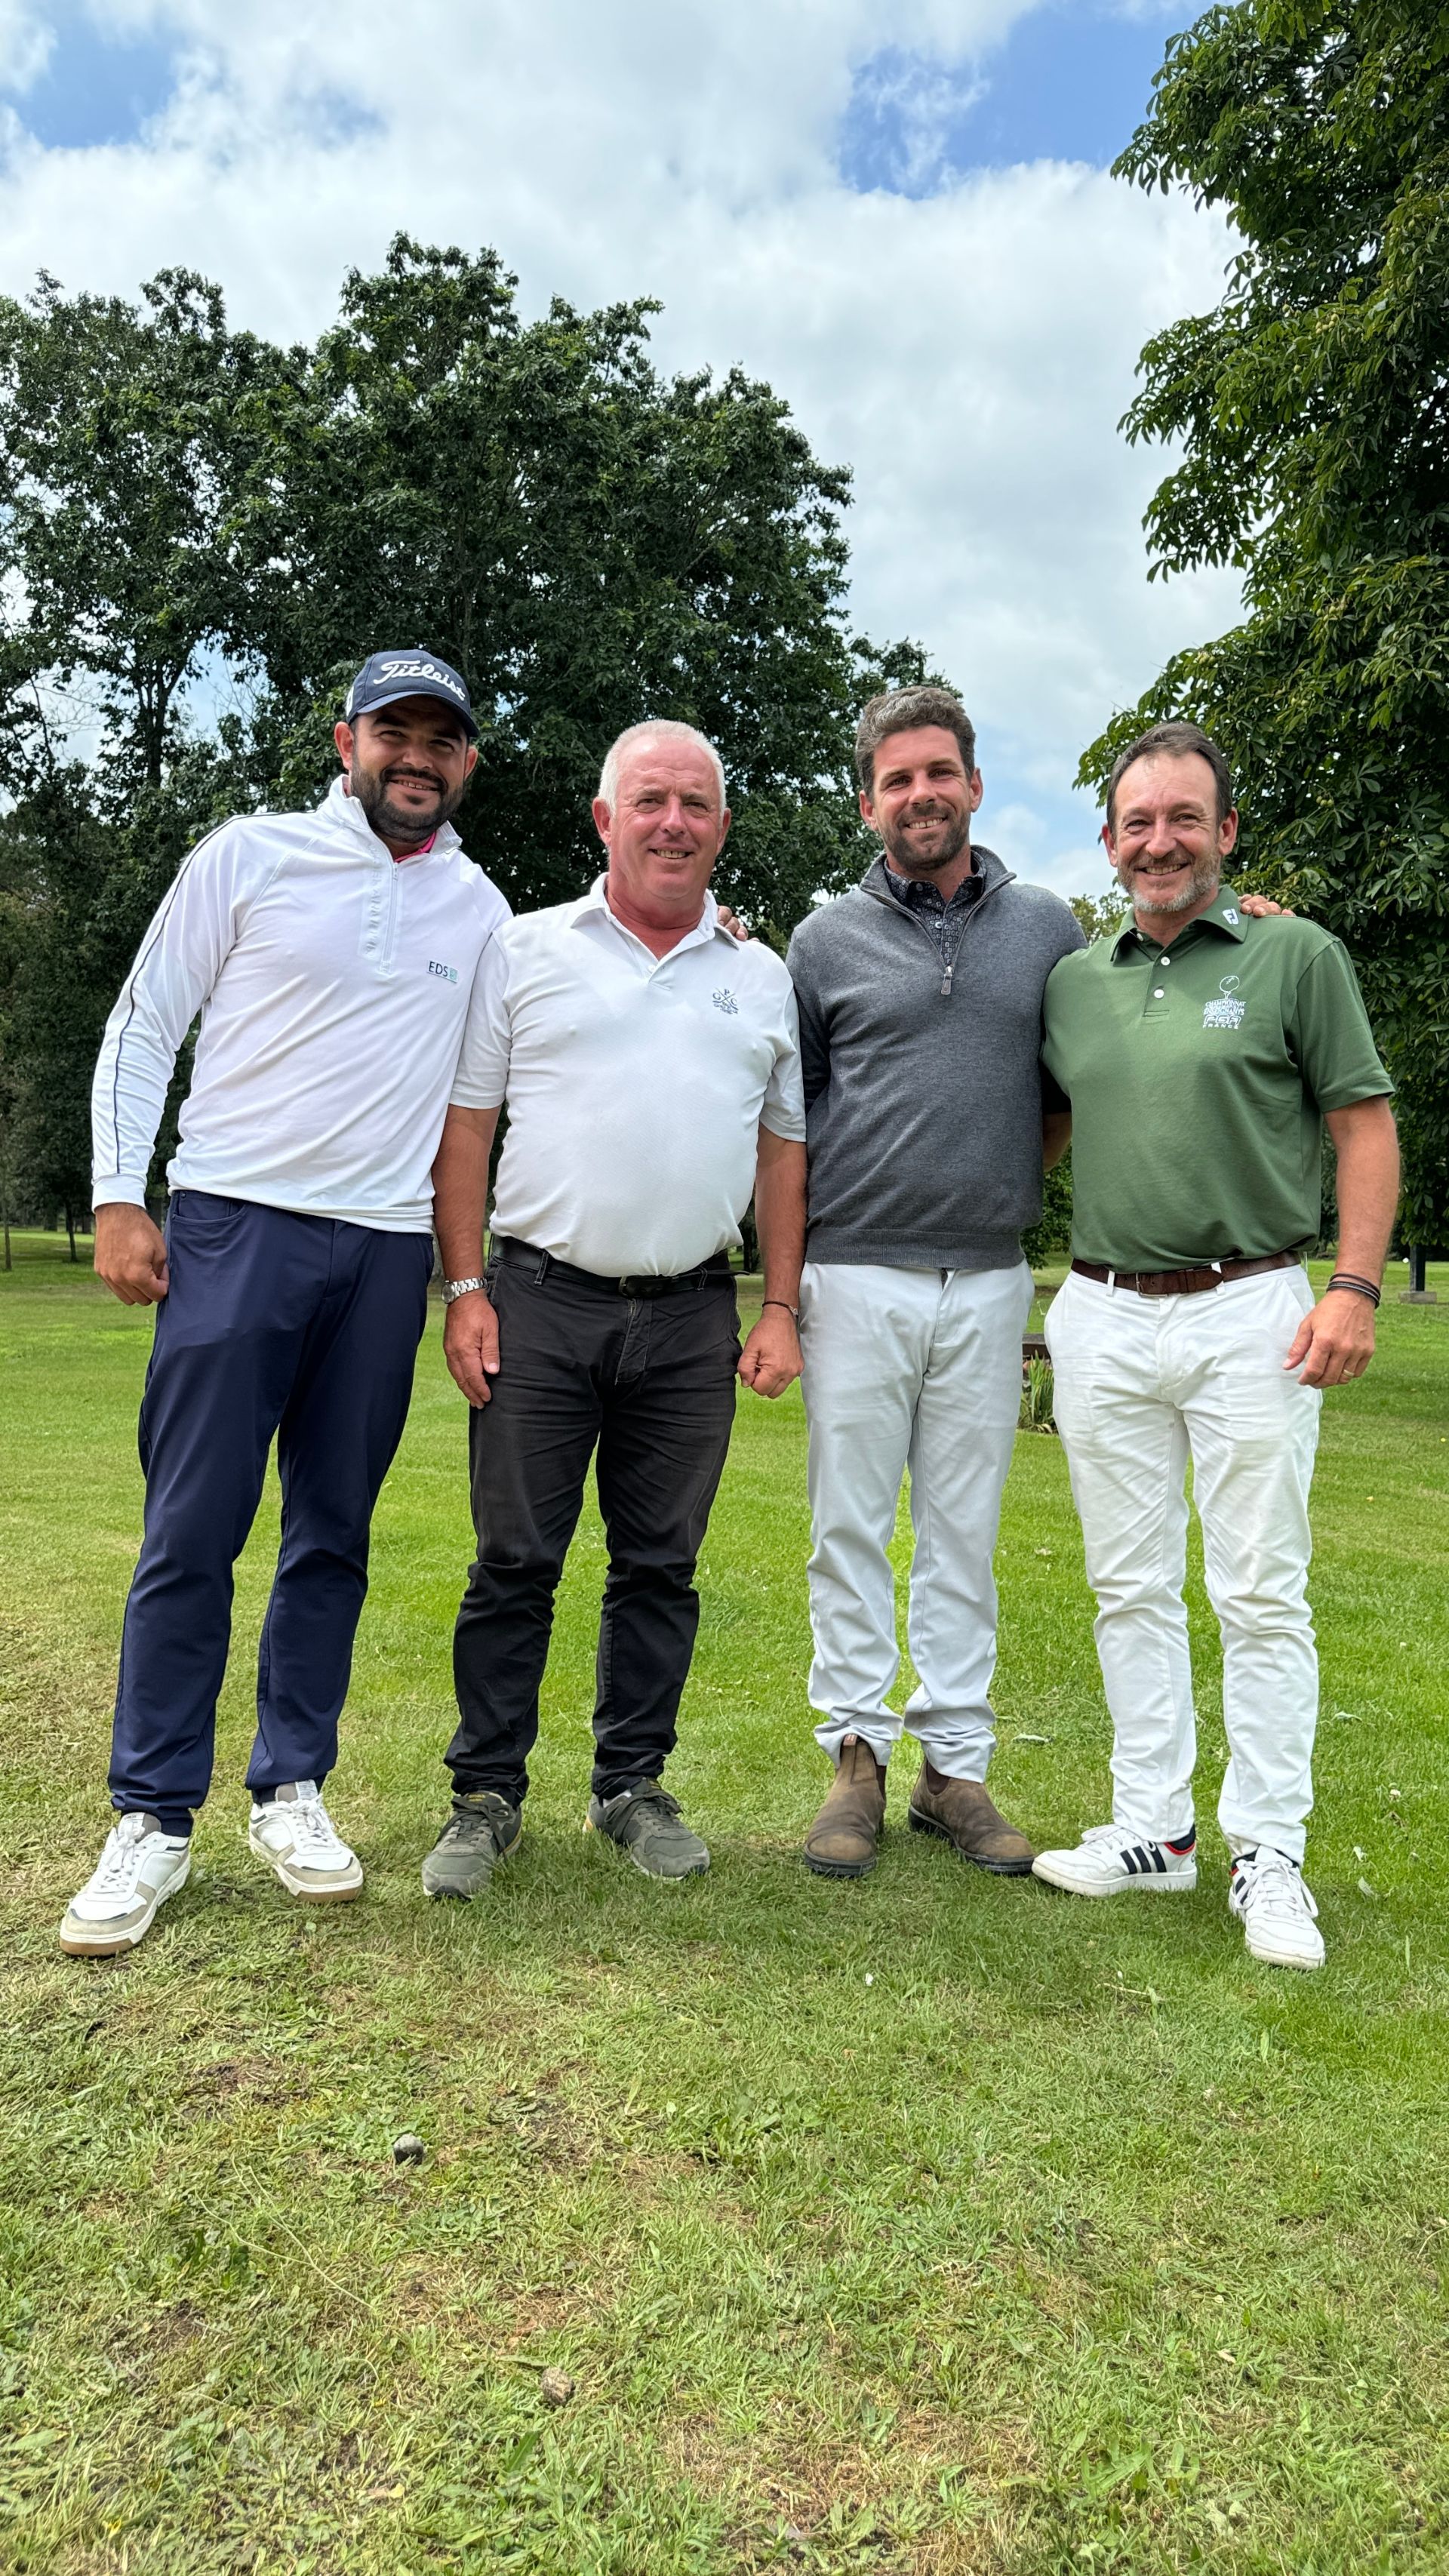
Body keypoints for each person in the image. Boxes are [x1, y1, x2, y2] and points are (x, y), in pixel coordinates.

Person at [61, 651, 509, 1956]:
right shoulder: (250, 854)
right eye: (393, 731)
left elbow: (495, 1085)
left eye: (441, 738)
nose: (416, 756)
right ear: (345, 740)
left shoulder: (483, 910)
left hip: (382, 1251)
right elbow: (145, 1022)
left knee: (332, 1532)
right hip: (233, 1224)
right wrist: (117, 1195)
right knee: (192, 1526)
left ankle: (291, 1785)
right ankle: (153, 1814)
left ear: (466, 762)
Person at [420, 719, 807, 1898]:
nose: (673, 822)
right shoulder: (524, 949)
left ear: (722, 828)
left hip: (691, 1314)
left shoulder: (761, 976)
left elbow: (783, 1150)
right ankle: (486, 1794)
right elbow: (467, 1129)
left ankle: (629, 1785)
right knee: (513, 1560)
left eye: (695, 804)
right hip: (537, 1301)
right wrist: (466, 1289)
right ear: (606, 818)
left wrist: (780, 1305)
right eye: (650, 800)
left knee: (660, 1567)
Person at [1033, 720, 1398, 1971]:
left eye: (1185, 818)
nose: (1161, 842)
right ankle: (1156, 1828)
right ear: (1108, 842)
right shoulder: (1076, 981)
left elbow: (1363, 1125)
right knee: (1128, 1583)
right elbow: (1037, 1126)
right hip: (1103, 1311)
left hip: (1252, 1305)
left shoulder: (1297, 954)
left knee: (1258, 1589)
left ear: (1227, 830)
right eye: (1138, 822)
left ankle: (1268, 1849)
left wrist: (1354, 1287)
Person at [783, 686, 1086, 1879]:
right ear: (870, 803)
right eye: (897, 780)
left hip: (992, 1275)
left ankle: (951, 1768)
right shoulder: (821, 941)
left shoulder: (1049, 927)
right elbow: (791, 1122)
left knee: (964, 1531)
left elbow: (1061, 1097)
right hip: (854, 1271)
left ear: (975, 783)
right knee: (849, 1526)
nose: (922, 795)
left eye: (939, 772)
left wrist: (991, 1184)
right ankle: (854, 1756)